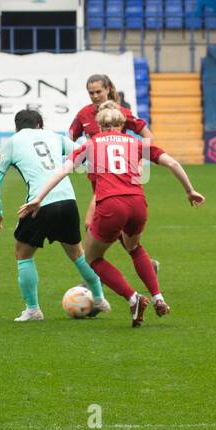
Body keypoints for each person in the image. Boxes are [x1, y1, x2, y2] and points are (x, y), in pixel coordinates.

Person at [21, 101, 204, 327]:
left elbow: (64, 170)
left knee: (92, 258)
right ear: (122, 124)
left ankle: (133, 297)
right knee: (134, 247)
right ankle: (158, 297)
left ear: (99, 125)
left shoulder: (91, 144)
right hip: (138, 204)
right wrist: (190, 190)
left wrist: (39, 198)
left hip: (111, 205)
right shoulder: (136, 143)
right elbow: (172, 162)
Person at [0, 109, 110, 322]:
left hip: (40, 204)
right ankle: (99, 298)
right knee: (78, 254)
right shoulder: (54, 136)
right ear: (40, 124)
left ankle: (33, 310)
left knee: (22, 254)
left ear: (16, 127)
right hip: (68, 200)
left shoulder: (13, 142)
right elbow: (83, 154)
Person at [68, 73, 162, 288]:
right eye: (91, 93)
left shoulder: (120, 114)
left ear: (108, 89)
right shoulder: (84, 114)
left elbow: (149, 136)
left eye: (98, 92)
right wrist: (77, 157)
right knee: (116, 228)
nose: (94, 96)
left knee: (91, 223)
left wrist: (139, 164)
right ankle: (147, 264)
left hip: (118, 180)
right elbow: (70, 138)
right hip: (98, 178)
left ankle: (89, 277)